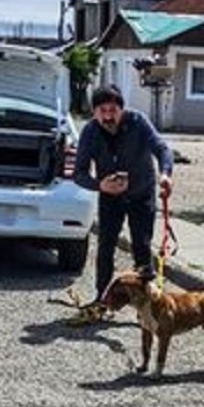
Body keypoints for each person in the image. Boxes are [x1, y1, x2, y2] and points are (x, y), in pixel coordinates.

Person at [74, 85, 174, 304]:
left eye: (113, 110)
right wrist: (100, 185)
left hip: (142, 193)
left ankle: (147, 301)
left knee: (142, 245)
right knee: (105, 246)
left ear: (122, 109)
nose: (108, 116)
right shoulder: (90, 132)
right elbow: (79, 173)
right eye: (103, 110)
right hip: (110, 198)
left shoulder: (138, 122)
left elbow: (162, 148)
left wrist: (165, 174)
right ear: (94, 112)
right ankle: (102, 297)